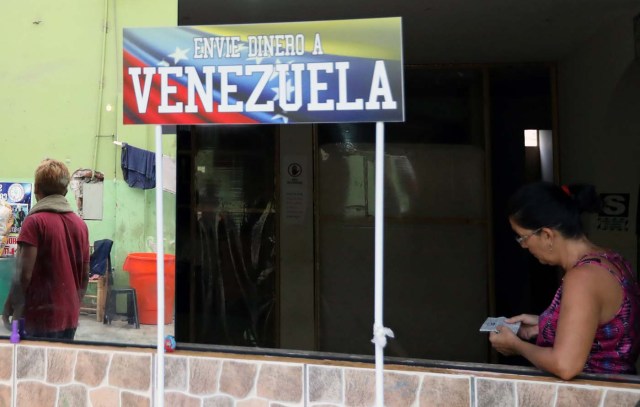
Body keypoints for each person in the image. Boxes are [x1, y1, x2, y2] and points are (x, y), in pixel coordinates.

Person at [489, 181, 640, 379]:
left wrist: (516, 345)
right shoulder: (612, 260)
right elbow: (601, 326)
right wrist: (543, 324)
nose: (524, 246)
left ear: (547, 235)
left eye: (522, 238)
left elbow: (565, 365)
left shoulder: (583, 278)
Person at [2, 159, 90, 339]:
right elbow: (84, 276)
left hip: (38, 317)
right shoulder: (80, 225)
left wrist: (9, 305)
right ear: (65, 191)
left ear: (36, 189)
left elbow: (24, 275)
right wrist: (73, 305)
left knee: (27, 365)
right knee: (59, 365)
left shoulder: (34, 222)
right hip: (69, 317)